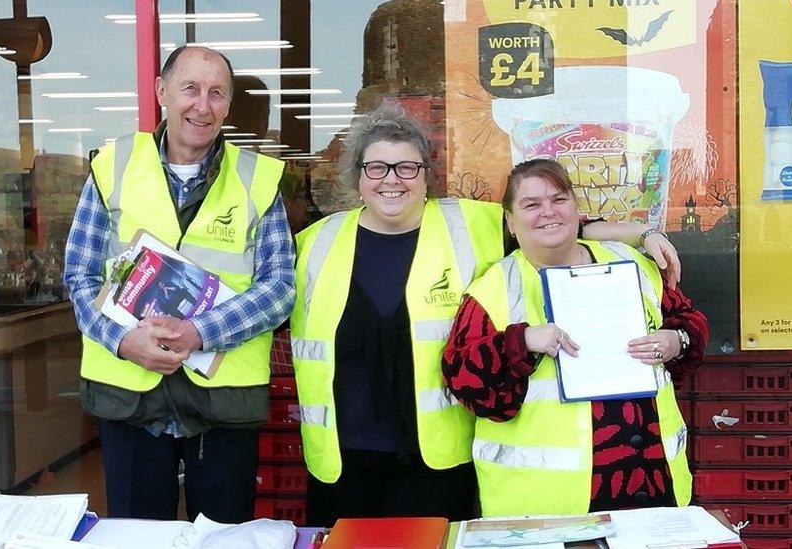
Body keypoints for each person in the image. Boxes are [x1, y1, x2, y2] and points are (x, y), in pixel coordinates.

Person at [291, 104, 683, 526]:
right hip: (340, 459)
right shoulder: (314, 243)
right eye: (377, 168)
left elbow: (555, 222)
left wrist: (644, 234)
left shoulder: (472, 223)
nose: (392, 179)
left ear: (426, 175)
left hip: (437, 462)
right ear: (358, 176)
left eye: (407, 167)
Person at [64, 46, 295, 522]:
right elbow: (80, 277)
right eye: (190, 89)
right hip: (130, 401)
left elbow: (279, 288)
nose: (202, 106)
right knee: (138, 536)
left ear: (229, 105)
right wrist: (124, 341)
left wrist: (200, 333)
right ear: (162, 91)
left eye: (217, 93)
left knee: (223, 539)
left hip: (222, 404)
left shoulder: (258, 180)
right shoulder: (113, 168)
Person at [442, 158, 708, 517]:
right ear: (511, 221)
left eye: (559, 199)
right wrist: (519, 343)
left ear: (577, 209)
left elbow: (690, 323)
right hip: (543, 507)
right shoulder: (492, 290)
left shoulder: (631, 263)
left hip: (651, 481)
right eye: (531, 204)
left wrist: (677, 340)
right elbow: (464, 379)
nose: (548, 212)